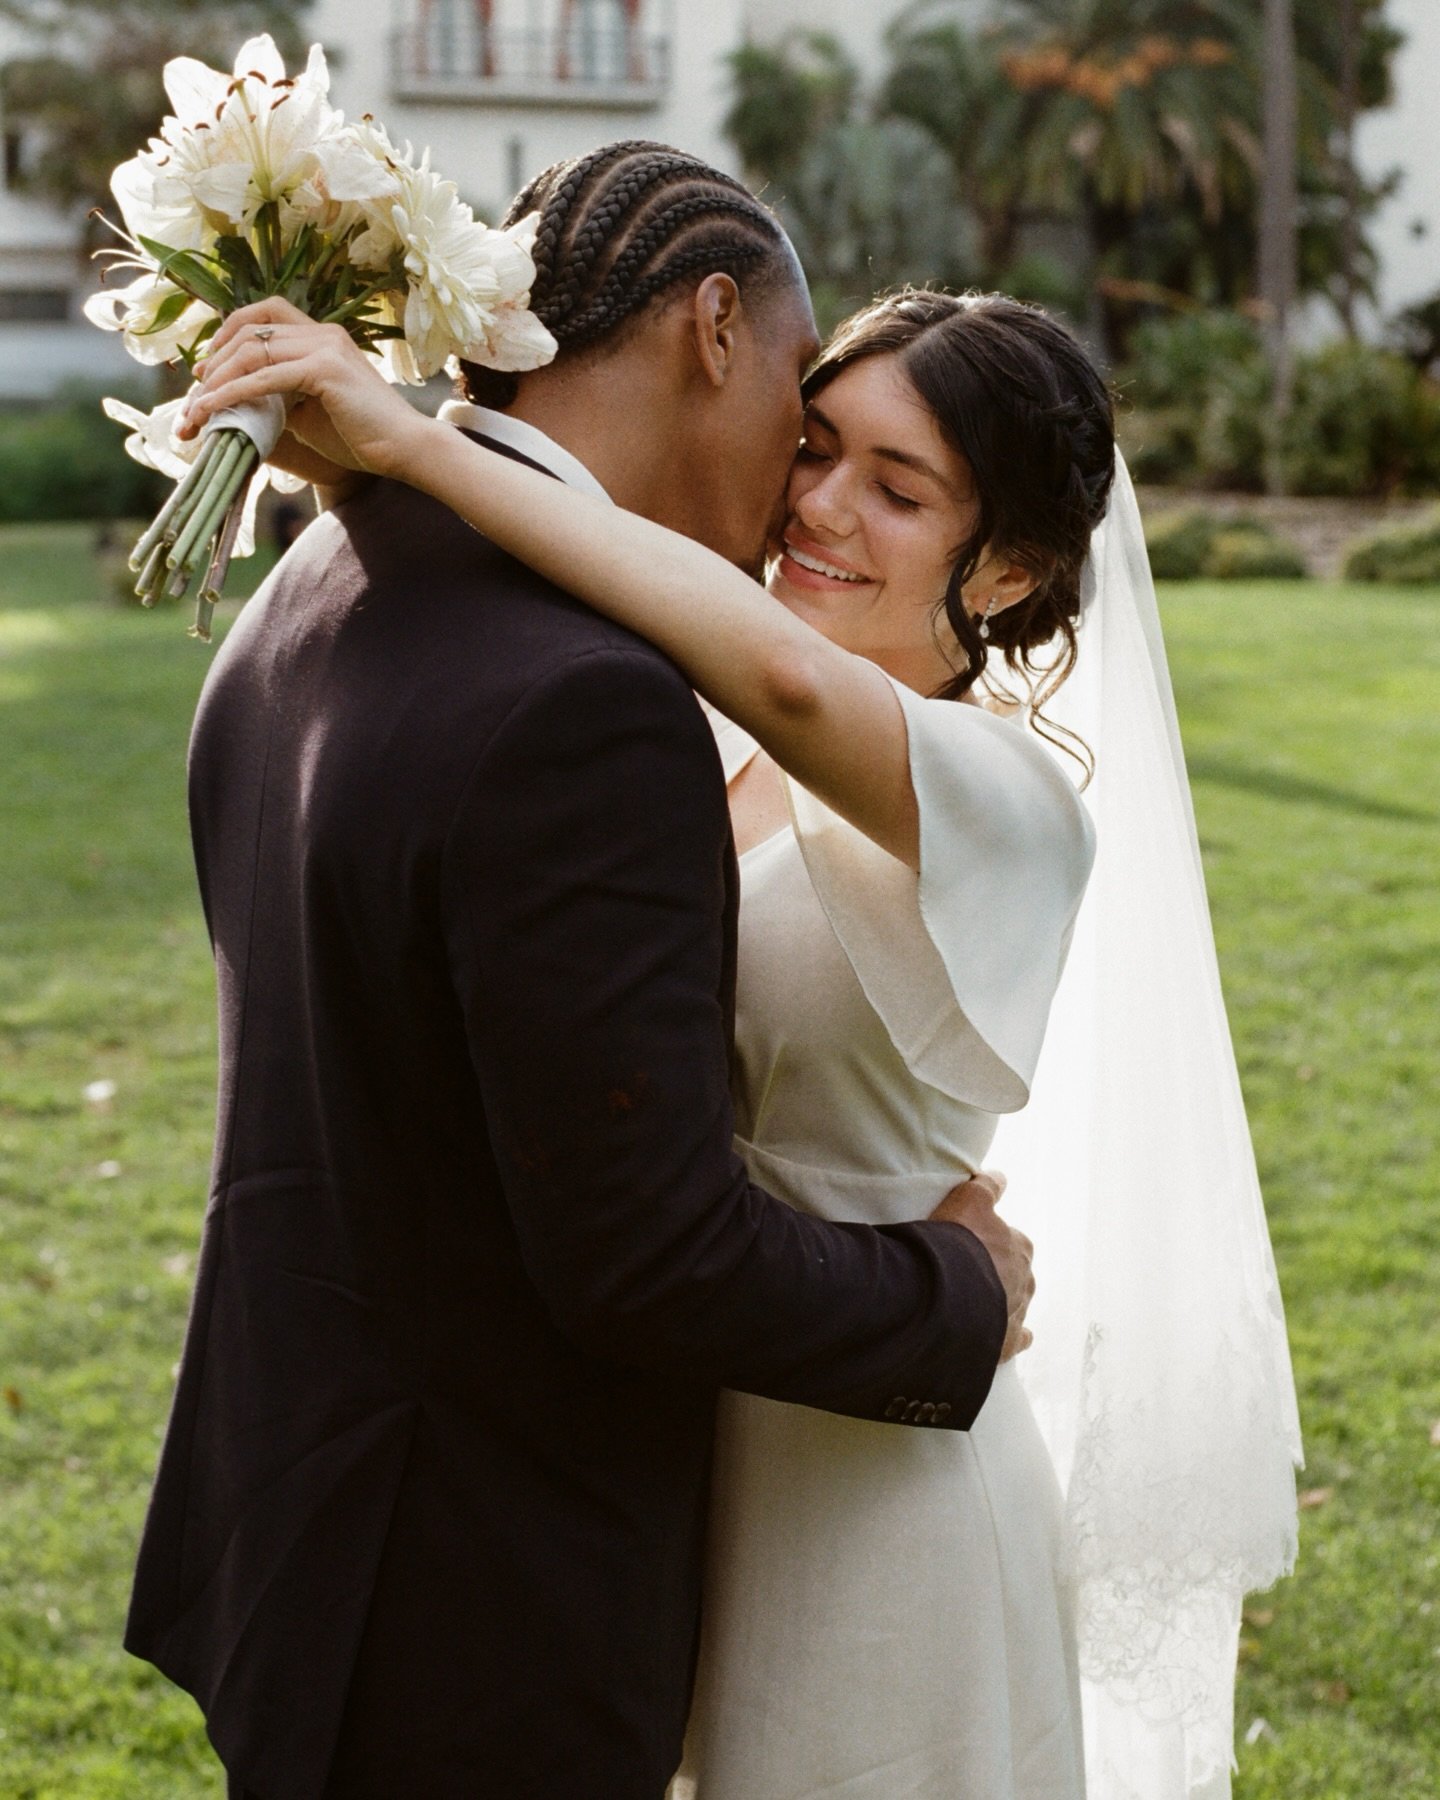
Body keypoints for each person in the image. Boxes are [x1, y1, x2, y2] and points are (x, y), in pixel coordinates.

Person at [186, 191, 1302, 1796]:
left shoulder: (1002, 796)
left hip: (872, 1464)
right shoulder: (683, 731)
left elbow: (783, 674)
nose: (820, 506)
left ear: (1017, 572)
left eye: (899, 489)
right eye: (817, 445)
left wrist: (427, 446)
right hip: (682, 1441)